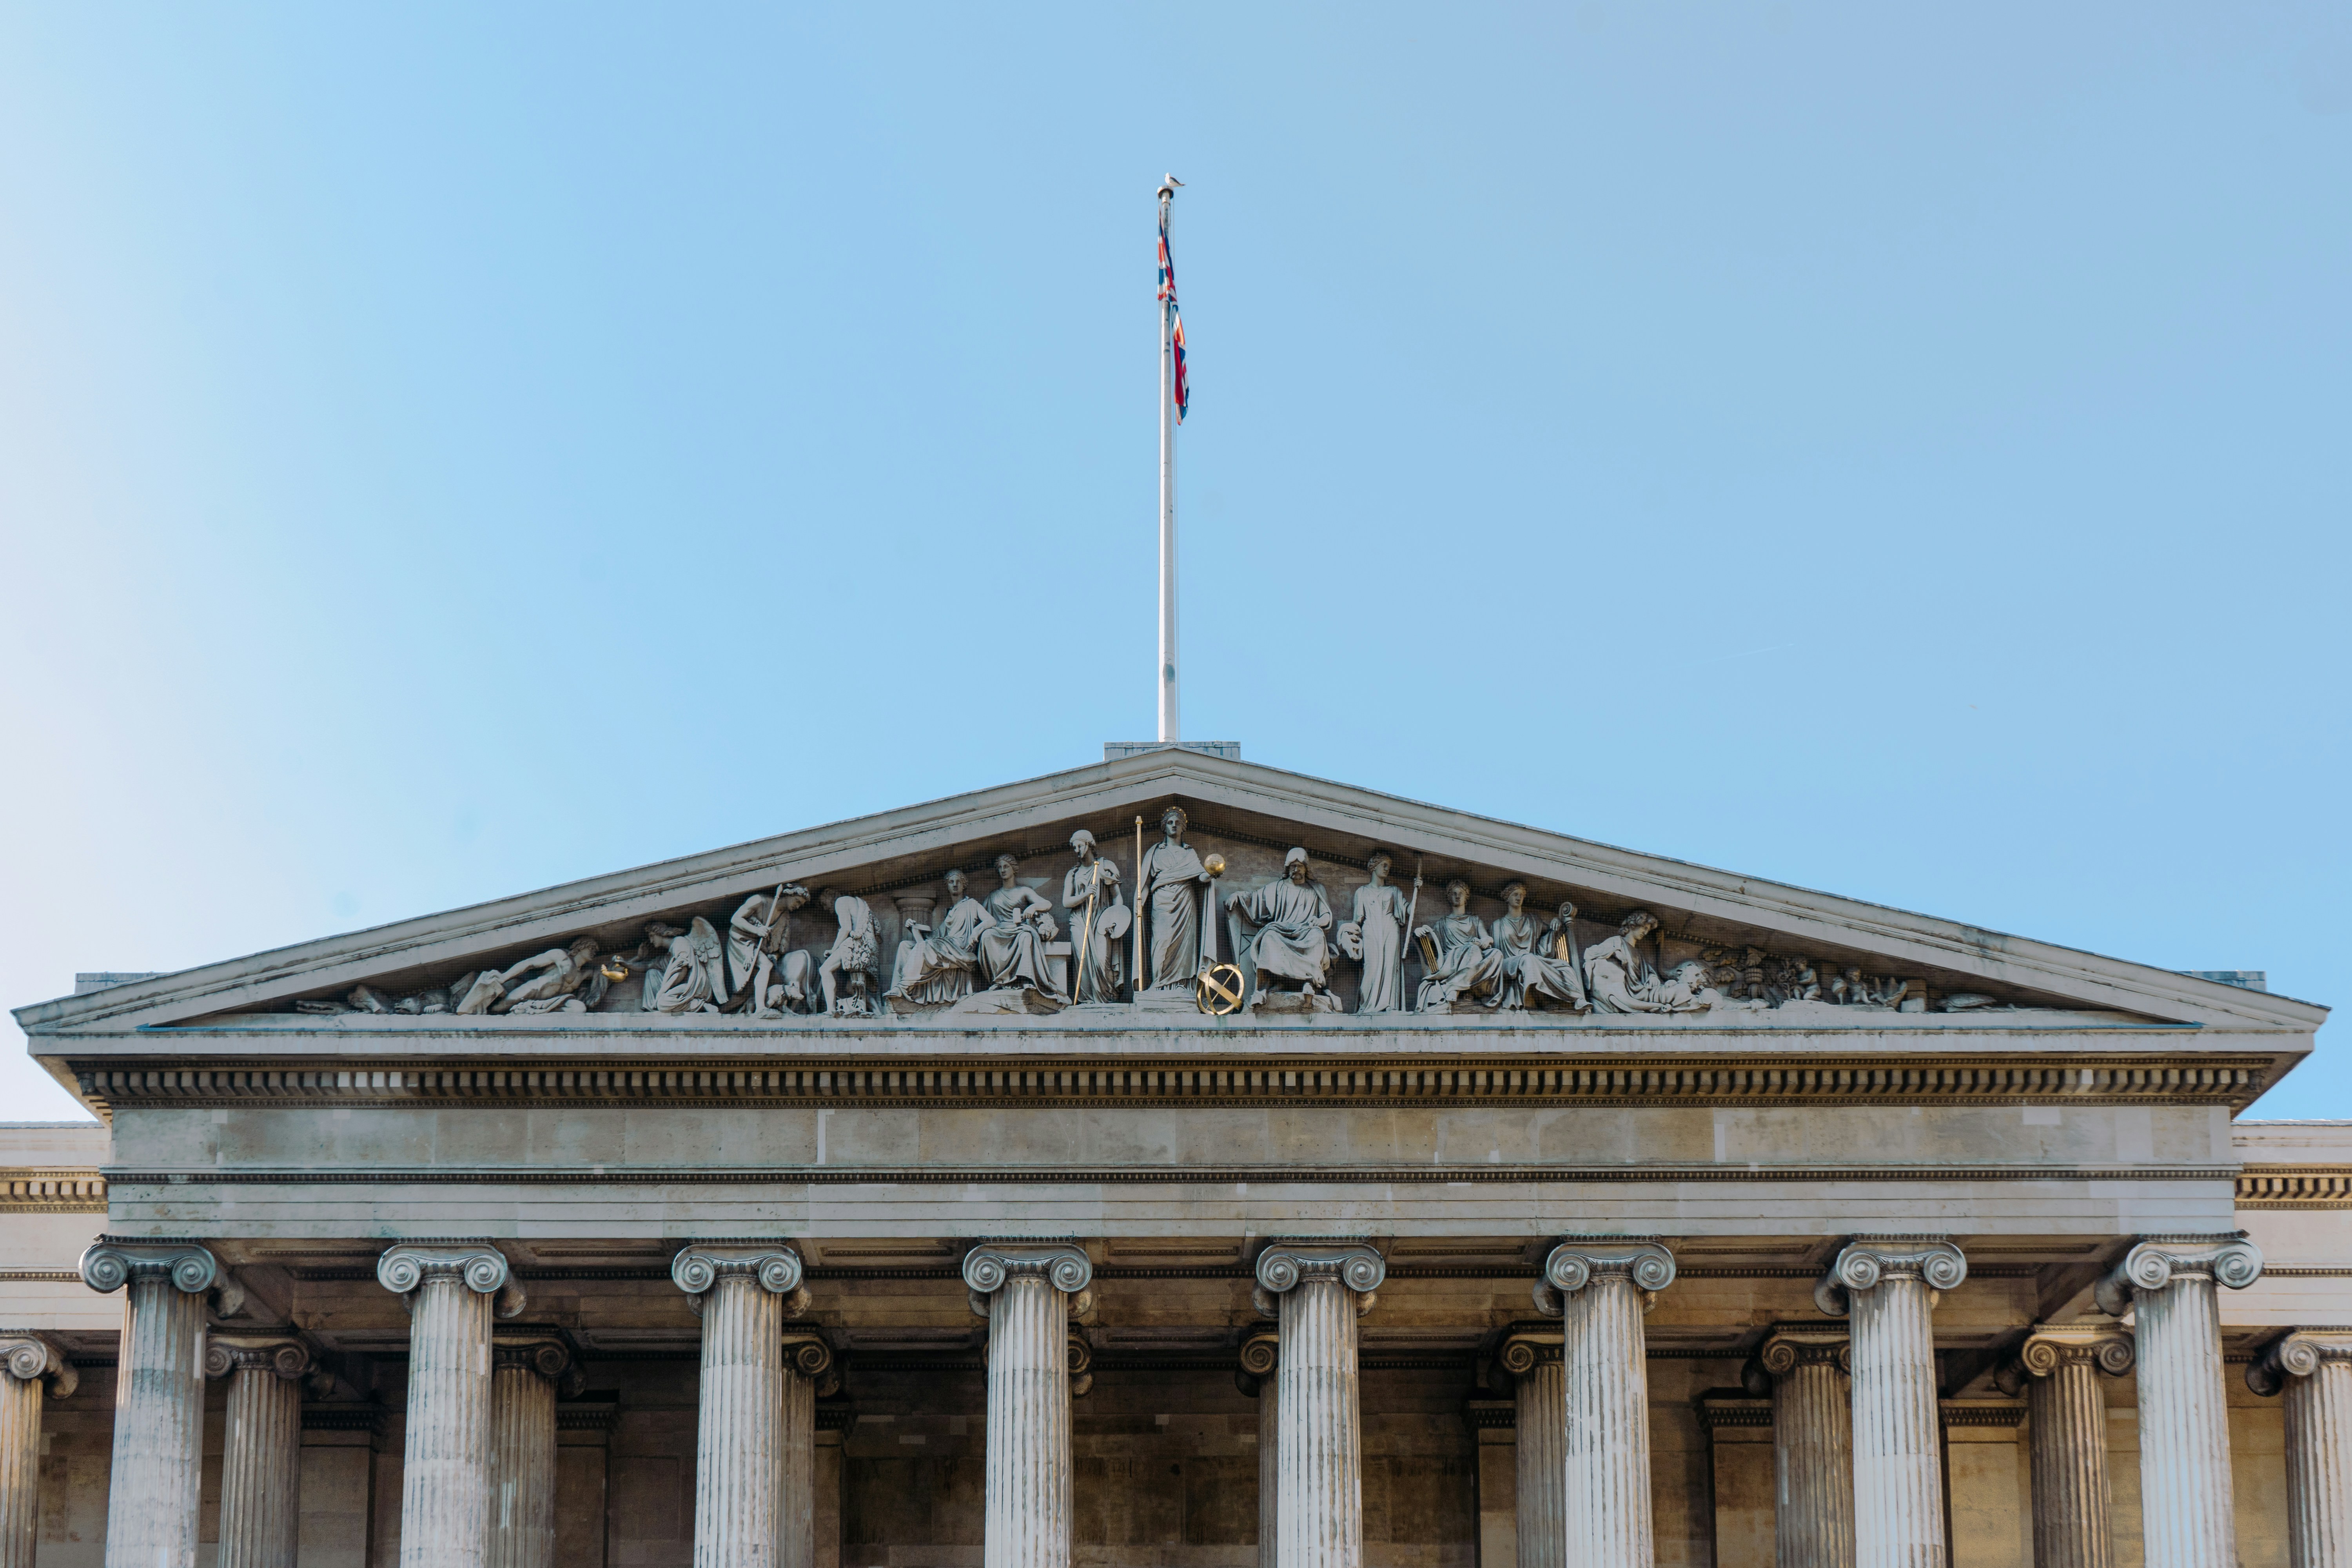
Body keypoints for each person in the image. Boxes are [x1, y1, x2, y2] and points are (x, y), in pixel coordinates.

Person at [1230, 848, 1335, 1002]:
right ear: (1288, 868)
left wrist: (1320, 921)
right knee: (1269, 937)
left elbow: (1326, 915)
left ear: (1306, 868)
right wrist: (1238, 896)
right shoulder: (1277, 887)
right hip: (1281, 931)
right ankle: (1264, 988)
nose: (1297, 869)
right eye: (1293, 866)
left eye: (1300, 866)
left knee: (1318, 936)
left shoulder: (1317, 889)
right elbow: (1255, 899)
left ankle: (1308, 983)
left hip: (1306, 931)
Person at [1136, 806, 1210, 990]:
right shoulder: (1155, 852)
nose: (1174, 825)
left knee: (1185, 945)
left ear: (1184, 827)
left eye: (1178, 823)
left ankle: (1181, 985)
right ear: (1164, 827)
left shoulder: (1189, 853)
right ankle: (1159, 984)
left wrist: (1212, 873)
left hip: (1185, 900)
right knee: (1162, 941)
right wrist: (1139, 902)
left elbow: (1200, 876)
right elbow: (1145, 883)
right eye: (1170, 822)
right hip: (1161, 901)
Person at [975, 853, 1066, 1001]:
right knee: (987, 936)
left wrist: (1034, 907)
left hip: (1019, 929)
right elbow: (983, 917)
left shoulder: (1024, 891)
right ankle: (999, 980)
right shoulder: (993, 896)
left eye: (1006, 867)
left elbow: (1047, 904)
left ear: (1014, 869)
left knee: (1026, 936)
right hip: (999, 931)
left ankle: (1026, 979)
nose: (1003, 870)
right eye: (1000, 868)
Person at [888, 867, 985, 1006]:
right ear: (948, 887)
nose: (955, 885)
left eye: (958, 881)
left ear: (964, 885)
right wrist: (913, 927)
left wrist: (977, 931)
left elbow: (991, 921)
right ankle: (896, 990)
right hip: (947, 945)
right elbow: (935, 936)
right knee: (905, 945)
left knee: (924, 946)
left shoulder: (972, 904)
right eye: (951, 882)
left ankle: (904, 986)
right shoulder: (950, 911)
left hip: (960, 947)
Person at [1582, 909, 1707, 1014]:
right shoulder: (1616, 941)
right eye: (1645, 928)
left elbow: (1648, 972)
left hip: (1643, 990)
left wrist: (1653, 977)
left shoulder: (1638, 953)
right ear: (1633, 925)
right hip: (1627, 992)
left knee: (1681, 989)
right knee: (1679, 991)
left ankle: (1694, 1002)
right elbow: (1591, 953)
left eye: (1648, 930)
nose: (1646, 932)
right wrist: (1615, 952)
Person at [1491, 883, 1588, 1012]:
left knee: (1563, 966)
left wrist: (1557, 921)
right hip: (1508, 963)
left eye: (1522, 895)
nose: (1519, 898)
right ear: (1507, 898)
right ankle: (1541, 999)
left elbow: (1553, 933)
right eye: (1515, 895)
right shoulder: (1497, 925)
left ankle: (1578, 999)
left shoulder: (1533, 920)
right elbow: (1495, 954)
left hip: (1532, 960)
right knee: (1528, 959)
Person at [1414, 879, 1505, 1011]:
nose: (1458, 896)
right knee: (1473, 949)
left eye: (1461, 893)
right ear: (1449, 897)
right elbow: (1428, 939)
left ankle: (1453, 987)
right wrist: (1419, 932)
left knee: (1497, 954)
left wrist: (1487, 940)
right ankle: (1458, 988)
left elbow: (1486, 937)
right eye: (1454, 894)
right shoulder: (1443, 923)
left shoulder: (1475, 920)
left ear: (1466, 897)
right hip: (1452, 958)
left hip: (1475, 956)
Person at [1339, 850, 1412, 1014]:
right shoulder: (1362, 891)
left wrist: (1417, 889)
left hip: (1390, 928)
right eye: (1384, 865)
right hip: (1370, 929)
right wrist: (1346, 934)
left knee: (1390, 966)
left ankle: (1389, 1005)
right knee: (1371, 967)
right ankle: (1367, 1006)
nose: (1387, 869)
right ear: (1374, 867)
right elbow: (1357, 920)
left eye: (1389, 867)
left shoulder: (1394, 891)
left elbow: (1409, 911)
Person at [1060, 831, 1128, 1004]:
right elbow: (1066, 902)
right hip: (1079, 920)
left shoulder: (1105, 867)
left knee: (1101, 959)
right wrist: (1085, 895)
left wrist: (1116, 919)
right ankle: (1087, 1000)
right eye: (1074, 847)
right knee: (1082, 960)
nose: (1077, 850)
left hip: (1102, 920)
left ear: (1089, 845)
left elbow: (1117, 897)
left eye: (1080, 846)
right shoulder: (1073, 874)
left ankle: (1106, 998)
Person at [728, 885, 812, 1017]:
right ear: (788, 894)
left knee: (769, 968)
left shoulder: (785, 917)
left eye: (800, 905)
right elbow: (736, 919)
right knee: (766, 966)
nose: (798, 907)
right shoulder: (759, 901)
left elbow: (781, 944)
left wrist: (775, 954)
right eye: (797, 901)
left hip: (760, 946)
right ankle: (761, 1008)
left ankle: (761, 1003)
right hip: (742, 940)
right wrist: (757, 930)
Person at [817, 893, 880, 1015]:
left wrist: (833, 950)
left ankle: (831, 1010)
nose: (826, 908)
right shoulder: (858, 903)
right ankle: (877, 1010)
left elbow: (846, 928)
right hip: (867, 948)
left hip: (856, 944)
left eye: (824, 904)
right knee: (850, 988)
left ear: (830, 898)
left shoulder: (840, 902)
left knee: (824, 970)